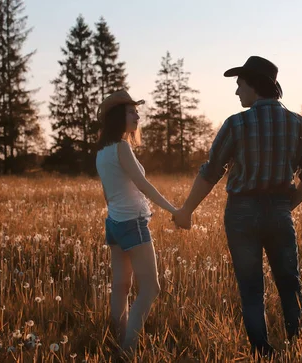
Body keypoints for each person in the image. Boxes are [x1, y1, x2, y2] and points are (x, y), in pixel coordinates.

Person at [173, 56, 302, 357]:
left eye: (240, 84)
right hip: (280, 210)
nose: (237, 91)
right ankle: (301, 349)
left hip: (241, 213)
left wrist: (186, 209)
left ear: (254, 85)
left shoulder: (236, 124)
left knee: (251, 288)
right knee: (289, 283)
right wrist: (285, 206)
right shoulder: (299, 124)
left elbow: (211, 171)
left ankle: (261, 353)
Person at [95, 90, 177, 352]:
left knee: (121, 285)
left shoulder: (101, 152)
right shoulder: (122, 147)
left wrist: (118, 215)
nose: (137, 115)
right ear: (119, 117)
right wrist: (174, 209)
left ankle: (118, 337)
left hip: (115, 224)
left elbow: (108, 194)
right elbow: (143, 184)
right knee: (151, 288)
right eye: (131, 112)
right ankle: (128, 348)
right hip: (132, 223)